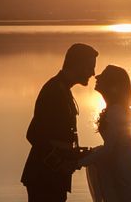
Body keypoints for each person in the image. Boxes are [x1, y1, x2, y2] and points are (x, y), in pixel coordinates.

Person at [21, 43, 99, 202]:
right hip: (43, 177)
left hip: (52, 177)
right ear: (77, 65)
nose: (92, 73)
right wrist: (59, 163)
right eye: (89, 67)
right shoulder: (54, 91)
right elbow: (33, 135)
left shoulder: (62, 89)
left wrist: (77, 155)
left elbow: (56, 137)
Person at [79, 65, 131, 202]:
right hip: (122, 172)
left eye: (104, 75)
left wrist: (78, 162)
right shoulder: (115, 109)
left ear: (113, 85)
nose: (97, 76)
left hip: (126, 176)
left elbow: (109, 148)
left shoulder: (116, 111)